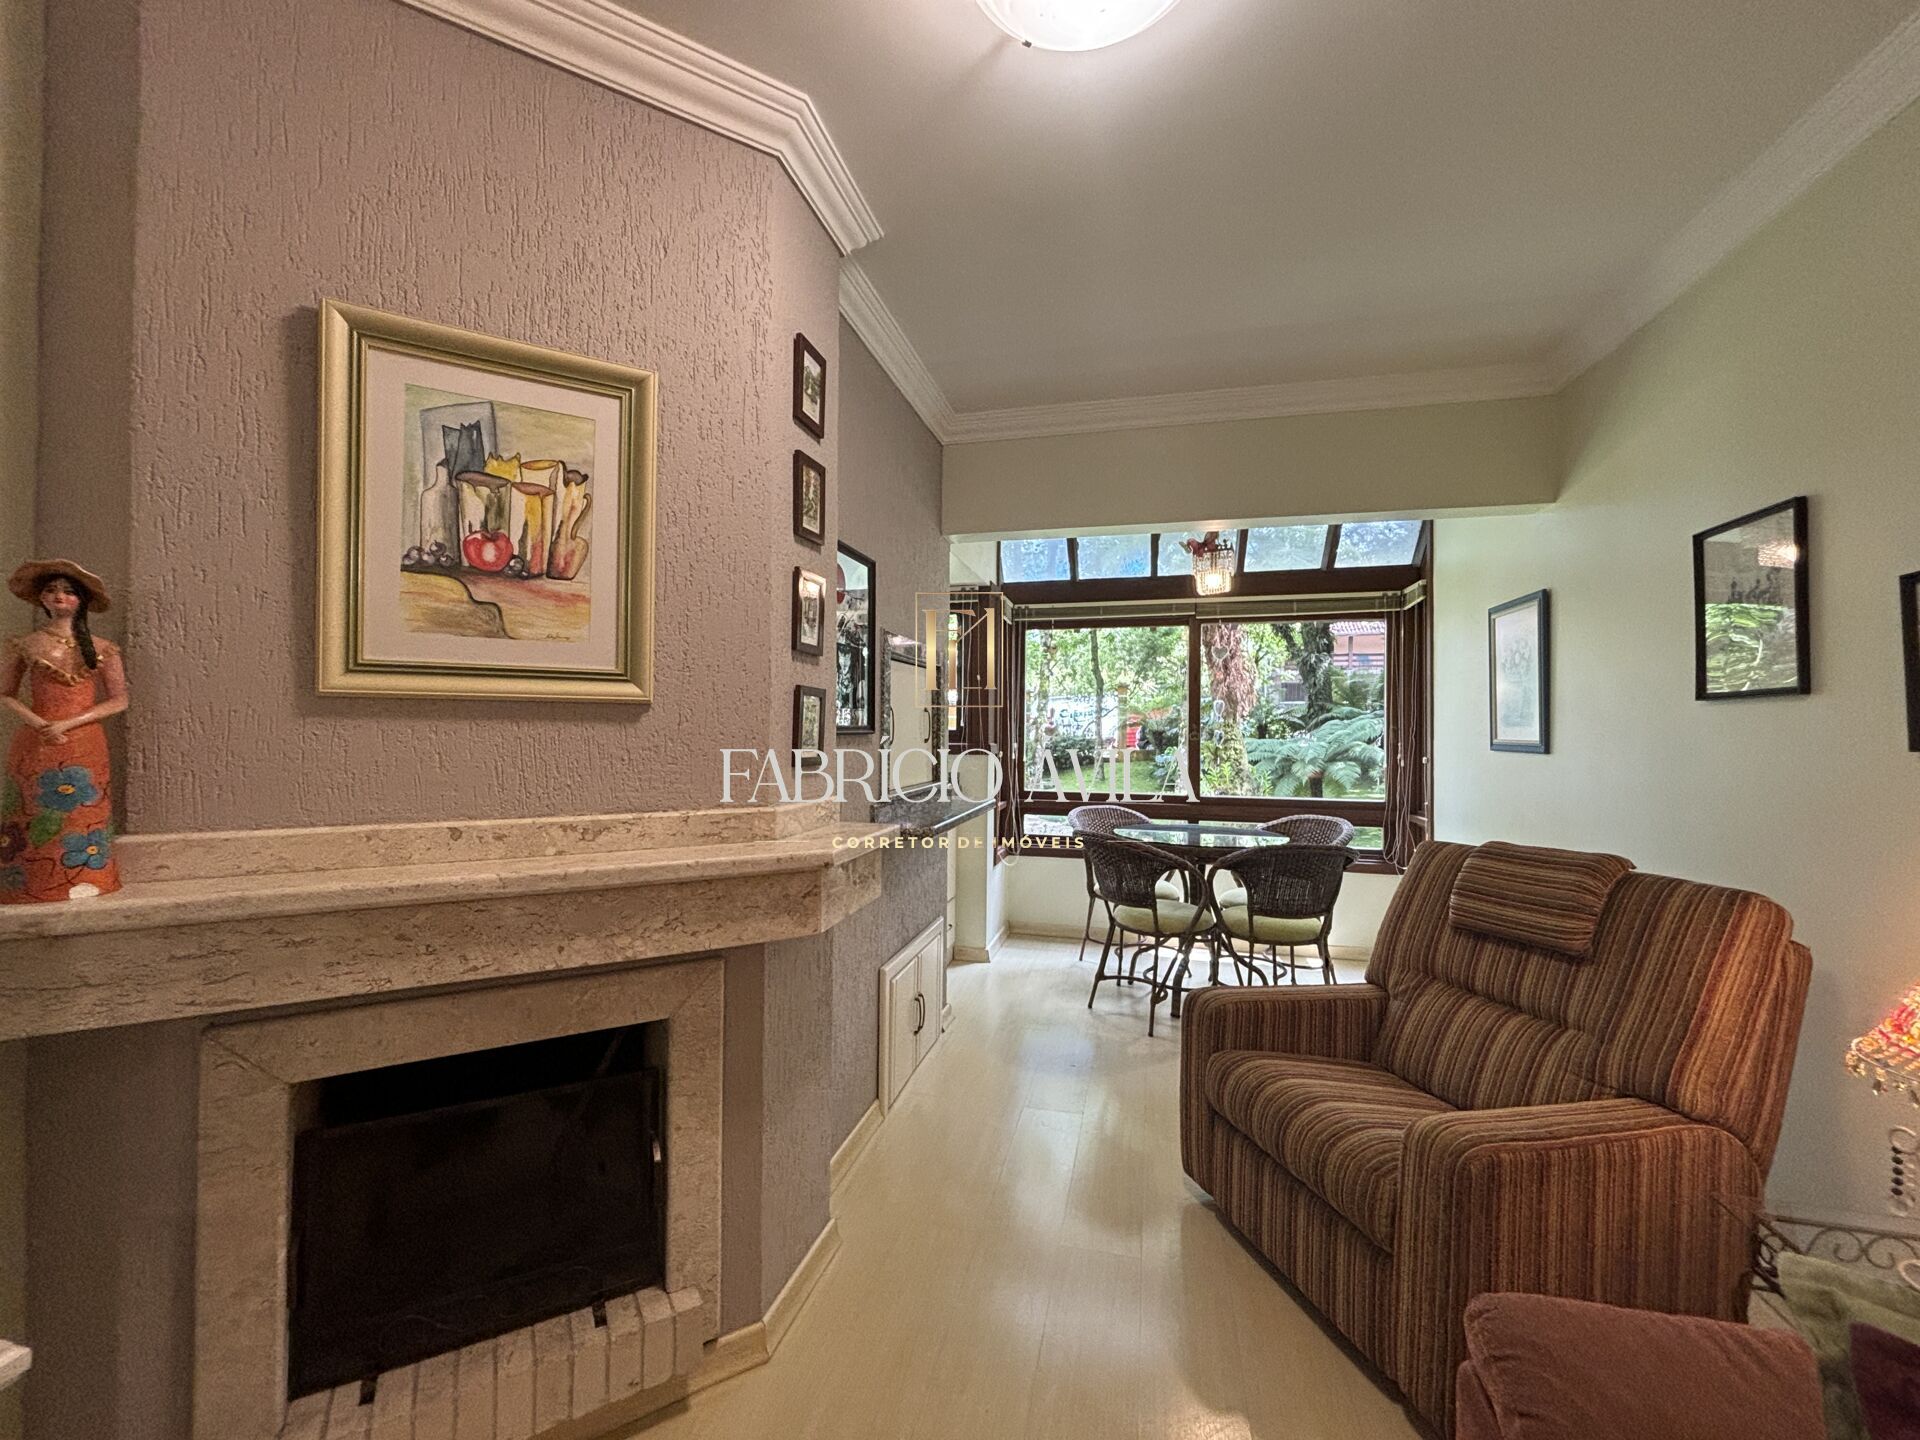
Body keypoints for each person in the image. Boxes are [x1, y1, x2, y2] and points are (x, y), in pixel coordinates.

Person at [1, 560, 128, 902]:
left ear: (81, 600)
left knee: (82, 810)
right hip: (38, 741)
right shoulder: (26, 645)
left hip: (84, 743)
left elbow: (119, 700)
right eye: (51, 590)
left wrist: (69, 723)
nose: (59, 596)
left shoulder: (102, 648)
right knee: (33, 806)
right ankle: (27, 881)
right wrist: (39, 723)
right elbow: (5, 693)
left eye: (69, 592)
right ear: (41, 598)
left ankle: (88, 876)